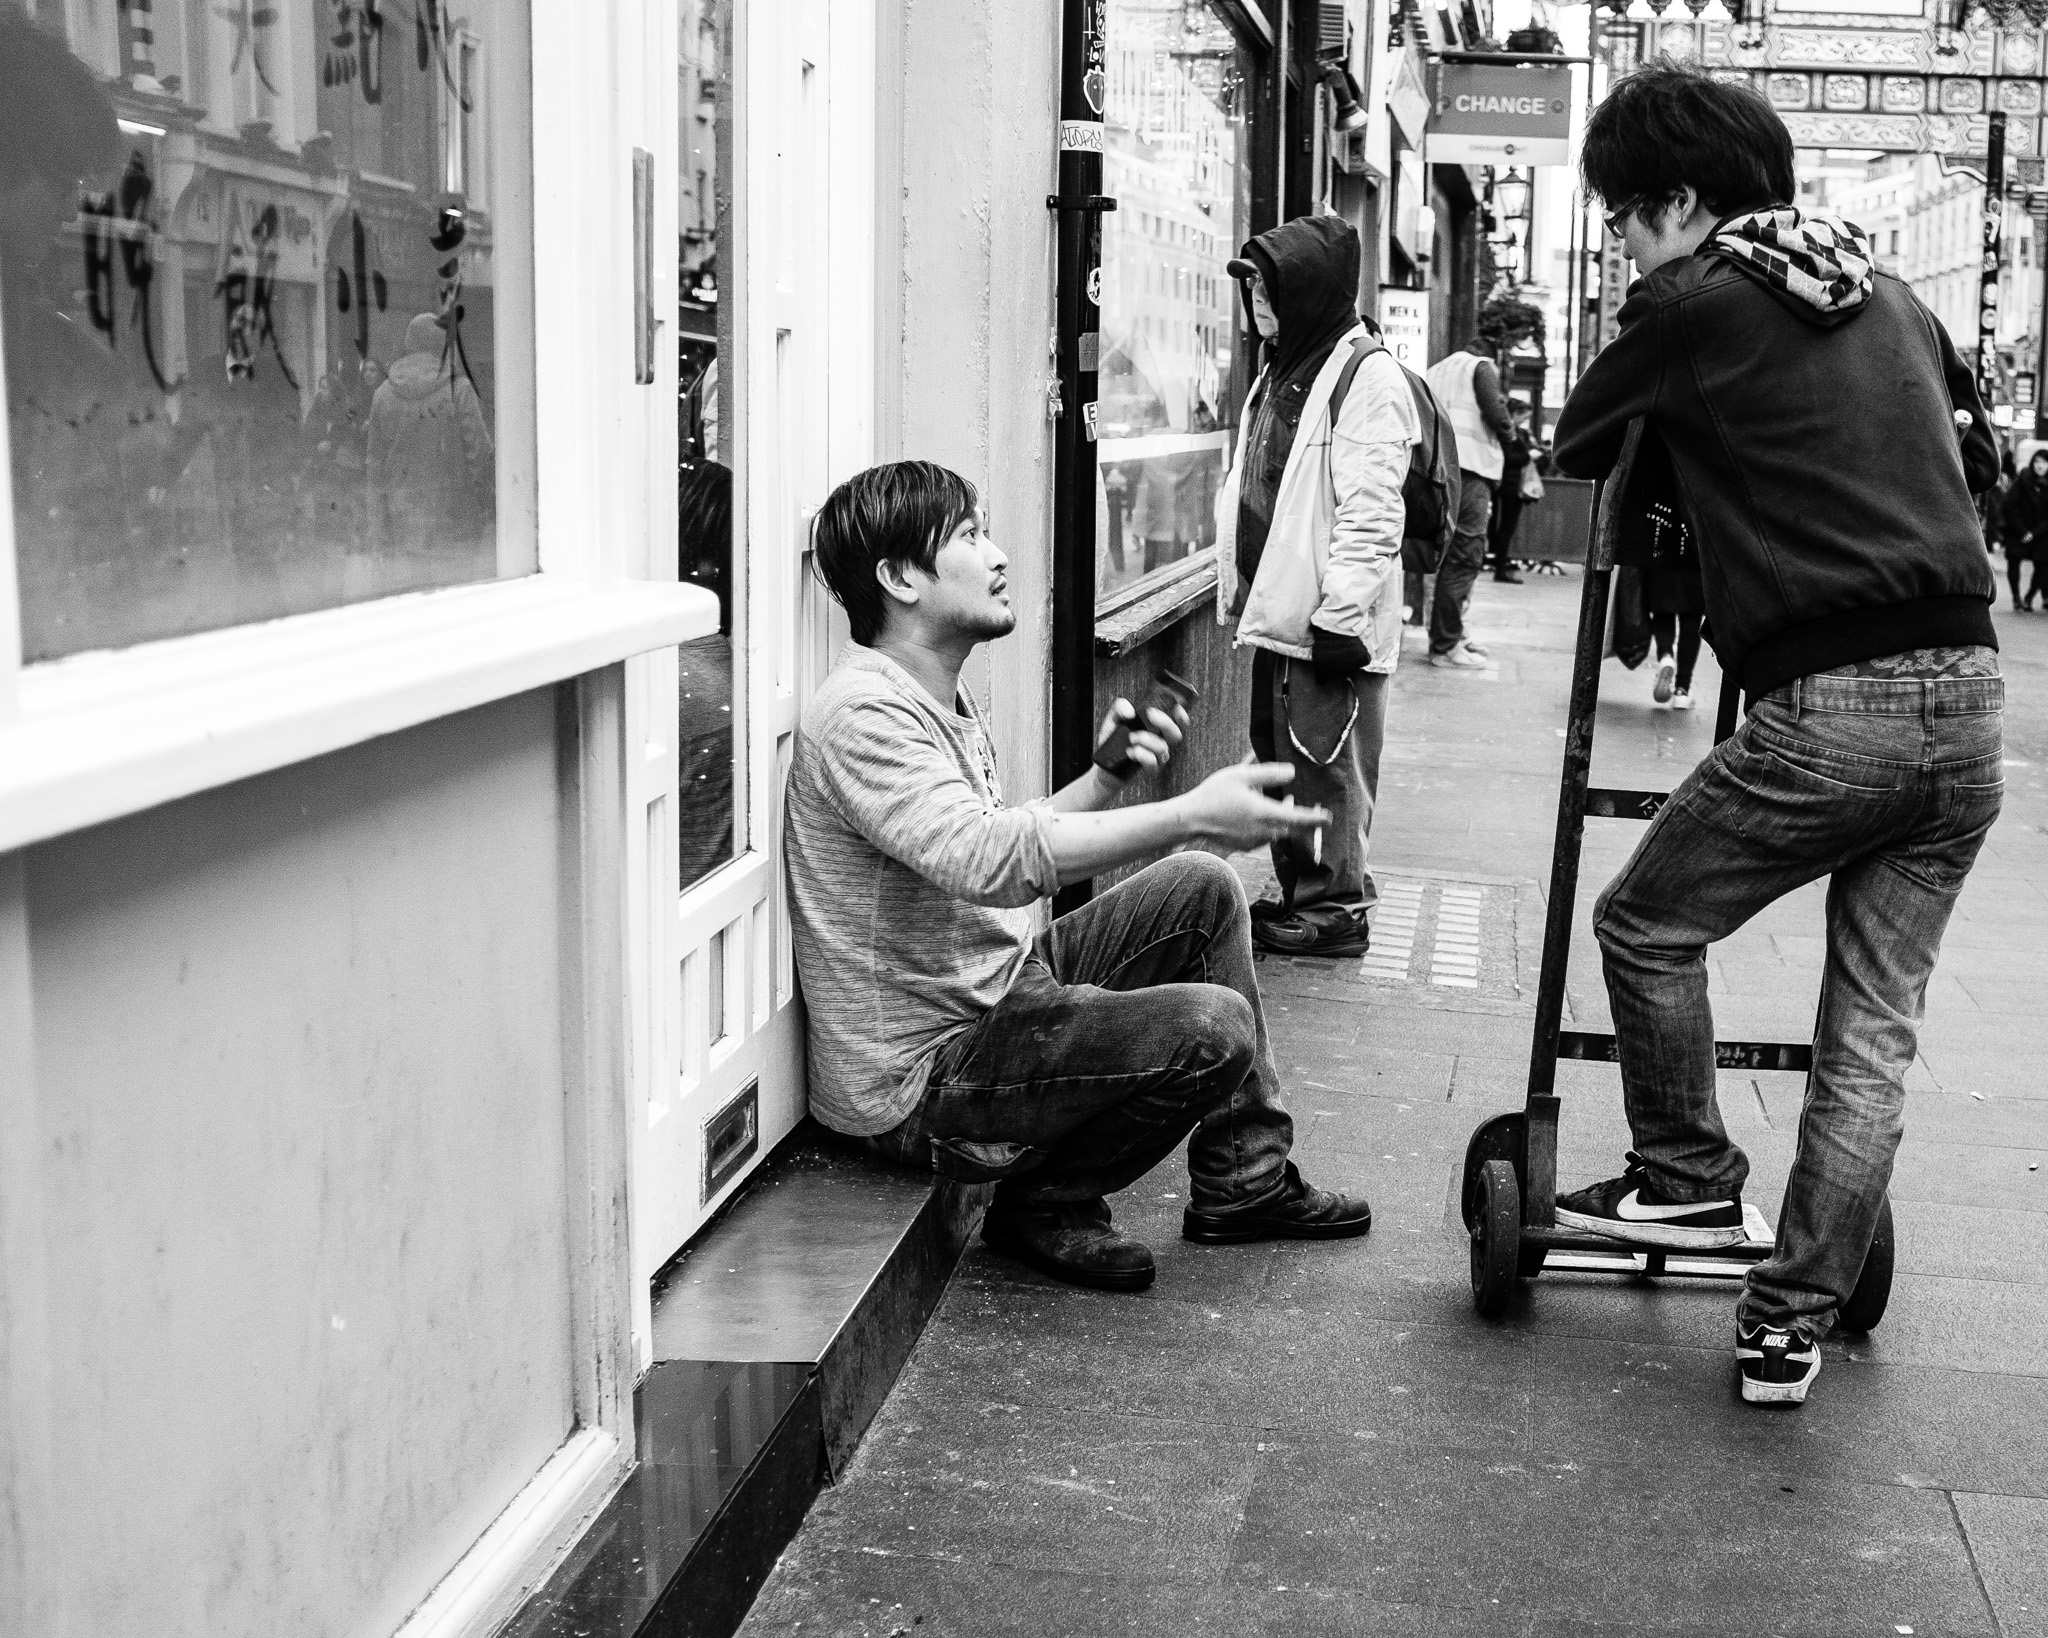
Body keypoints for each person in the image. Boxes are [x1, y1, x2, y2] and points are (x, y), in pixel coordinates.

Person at [1551, 61, 2002, 1407]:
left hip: (1832, 701)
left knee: (1644, 922)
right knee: (1872, 1029)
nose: (1626, 239)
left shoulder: (1692, 302)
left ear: (1685, 201)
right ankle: (1787, 1319)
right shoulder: (1900, 293)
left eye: (1630, 214)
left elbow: (1581, 440)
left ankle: (1687, 1180)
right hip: (1972, 705)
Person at [785, 461, 1372, 1294]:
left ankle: (1246, 1181)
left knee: (1202, 887)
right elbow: (991, 861)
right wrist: (1188, 812)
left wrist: (1105, 780)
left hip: (1000, 992)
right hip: (926, 1074)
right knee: (1213, 1026)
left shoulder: (934, 697)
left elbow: (979, 845)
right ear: (898, 577)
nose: (997, 555)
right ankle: (1044, 1200)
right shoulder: (862, 713)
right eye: (967, 536)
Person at [1218, 216, 1415, 958]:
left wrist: (1342, 616)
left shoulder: (1367, 375)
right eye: (1253, 289)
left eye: (1272, 288)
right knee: (1287, 759)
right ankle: (1304, 893)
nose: (1259, 302)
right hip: (1285, 612)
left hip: (1329, 622)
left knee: (1329, 765)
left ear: (1309, 291)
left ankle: (1337, 910)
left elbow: (1372, 508)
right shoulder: (1284, 364)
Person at [1424, 308, 1531, 667]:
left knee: (1445, 555)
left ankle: (1450, 633)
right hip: (1471, 471)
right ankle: (1446, 644)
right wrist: (1511, 435)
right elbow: (1498, 413)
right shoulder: (1481, 368)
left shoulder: (1438, 369)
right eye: (1514, 341)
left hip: (1435, 472)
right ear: (1501, 339)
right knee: (1466, 554)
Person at [1489, 398, 1537, 584]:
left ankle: (1500, 564)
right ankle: (1500, 567)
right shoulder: (1509, 433)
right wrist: (1528, 455)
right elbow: (1509, 458)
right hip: (1509, 485)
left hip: (1508, 484)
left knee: (1504, 527)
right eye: (1523, 417)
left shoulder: (1517, 433)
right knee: (1506, 527)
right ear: (1515, 414)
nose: (1524, 422)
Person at [1997, 448, 2048, 610]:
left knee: (2043, 565)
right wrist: (2023, 531)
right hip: (2018, 530)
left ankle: (2030, 596)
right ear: (2032, 463)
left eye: (2045, 463)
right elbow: (2009, 505)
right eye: (2038, 462)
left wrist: (2034, 533)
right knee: (2014, 561)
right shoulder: (2022, 480)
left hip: (2041, 533)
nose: (2040, 466)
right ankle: (2016, 597)